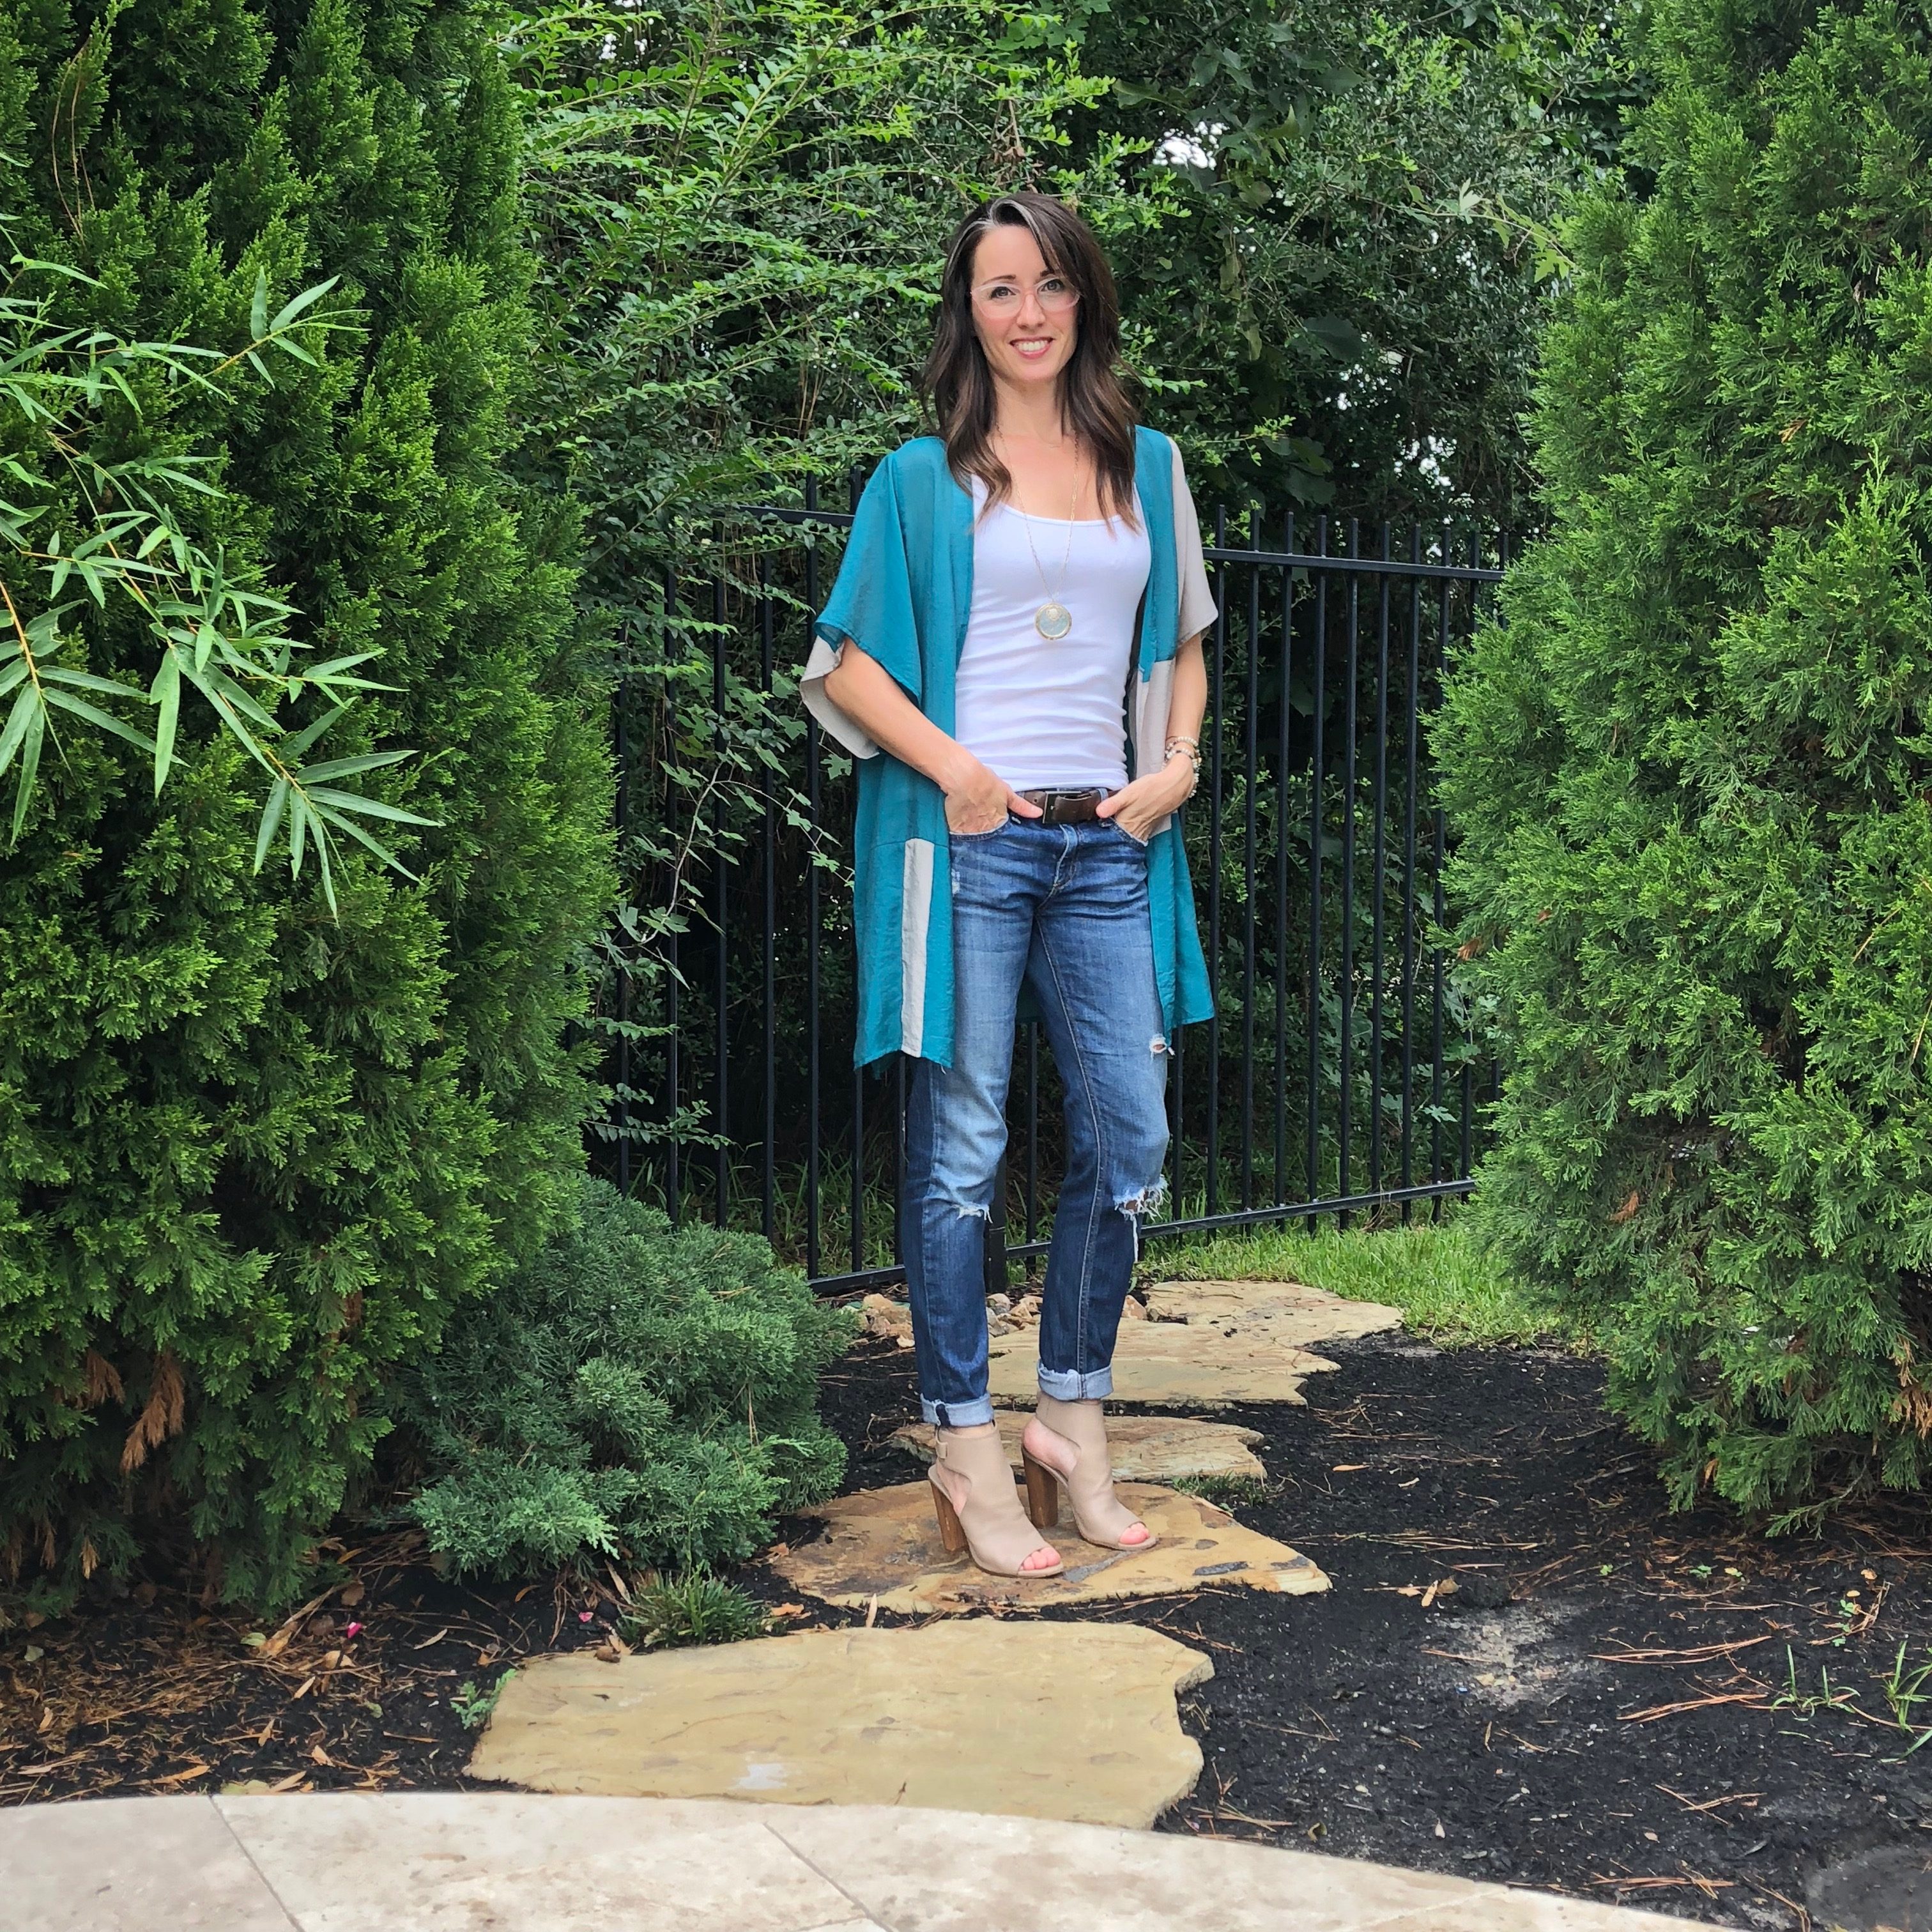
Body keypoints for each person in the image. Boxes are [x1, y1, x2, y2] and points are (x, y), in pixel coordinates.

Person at [801, 190, 1216, 1578]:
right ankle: (966, 1440)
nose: (1027, 312)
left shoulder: (1148, 467)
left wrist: (1179, 762)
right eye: (998, 290)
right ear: (966, 312)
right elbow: (843, 662)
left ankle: (1073, 1418)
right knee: (963, 1154)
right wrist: (961, 774)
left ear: (1083, 299)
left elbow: (1187, 639)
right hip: (974, 842)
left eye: (1048, 284)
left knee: (1133, 1140)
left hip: (1109, 845)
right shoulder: (922, 480)